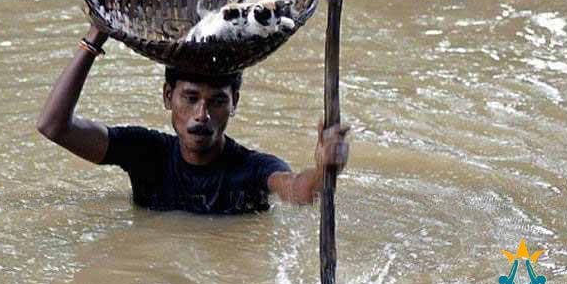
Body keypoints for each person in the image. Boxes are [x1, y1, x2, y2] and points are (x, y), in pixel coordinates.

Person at [36, 25, 350, 214]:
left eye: (217, 101)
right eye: (190, 98)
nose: (202, 115)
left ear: (234, 103)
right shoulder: (145, 153)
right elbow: (53, 126)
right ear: (167, 96)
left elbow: (297, 189)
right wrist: (93, 40)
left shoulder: (253, 169)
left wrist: (324, 170)